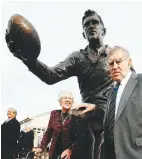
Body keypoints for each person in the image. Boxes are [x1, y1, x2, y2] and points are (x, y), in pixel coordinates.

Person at [5, 9, 113, 158]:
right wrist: (27, 58)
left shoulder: (116, 55)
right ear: (83, 34)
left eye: (95, 22)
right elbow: (51, 76)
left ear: (104, 30)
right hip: (89, 114)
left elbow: (131, 85)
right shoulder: (78, 58)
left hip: (113, 108)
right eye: (87, 24)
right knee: (76, 117)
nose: (91, 26)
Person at [34, 91, 77, 159]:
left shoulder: (76, 115)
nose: (67, 100)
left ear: (72, 102)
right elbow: (48, 133)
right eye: (64, 98)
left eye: (70, 98)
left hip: (70, 154)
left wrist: (70, 150)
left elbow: (81, 138)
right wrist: (41, 147)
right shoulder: (54, 114)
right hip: (54, 153)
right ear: (60, 101)